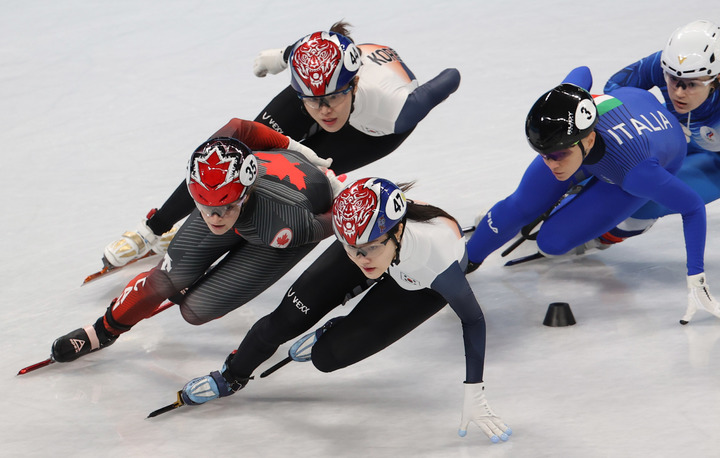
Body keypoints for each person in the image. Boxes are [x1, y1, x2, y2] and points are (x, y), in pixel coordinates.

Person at [172, 177, 511, 443]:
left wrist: (474, 391)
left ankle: (334, 330)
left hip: (417, 284)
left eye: (368, 249)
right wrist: (356, 247)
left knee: (326, 358)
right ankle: (233, 376)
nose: (361, 259)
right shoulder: (358, 234)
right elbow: (358, 241)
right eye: (350, 248)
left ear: (397, 232)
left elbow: (473, 319)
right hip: (379, 241)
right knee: (285, 320)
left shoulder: (435, 258)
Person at [101, 21, 461, 269]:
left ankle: (226, 227)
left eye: (331, 97)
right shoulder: (310, 73)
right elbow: (305, 52)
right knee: (235, 153)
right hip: (329, 79)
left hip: (373, 129)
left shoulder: (396, 109)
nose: (322, 111)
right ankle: (153, 228)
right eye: (310, 98)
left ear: (351, 86)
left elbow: (452, 77)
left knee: (298, 177)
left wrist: (421, 98)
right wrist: (281, 56)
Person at [49, 132, 337, 363]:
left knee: (195, 310)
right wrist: (290, 144)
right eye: (204, 206)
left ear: (246, 193)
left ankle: (199, 274)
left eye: (225, 208)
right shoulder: (213, 174)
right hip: (258, 209)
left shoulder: (287, 224)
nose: (214, 217)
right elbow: (242, 127)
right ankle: (104, 330)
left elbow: (334, 221)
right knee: (162, 281)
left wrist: (338, 194)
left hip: (280, 228)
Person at [465, 65, 720, 324]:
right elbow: (581, 72)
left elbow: (693, 207)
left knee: (552, 242)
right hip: (625, 108)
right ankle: (471, 256)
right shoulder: (568, 123)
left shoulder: (637, 173)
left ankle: (576, 206)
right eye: (544, 154)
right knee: (521, 204)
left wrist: (696, 280)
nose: (551, 164)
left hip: (642, 158)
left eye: (558, 155)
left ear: (586, 141)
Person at [574, 20, 720, 252]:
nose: (679, 92)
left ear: (716, 80)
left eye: (691, 84)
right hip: (676, 134)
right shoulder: (666, 64)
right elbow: (615, 88)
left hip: (715, 162)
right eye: (673, 80)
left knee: (647, 201)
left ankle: (601, 238)